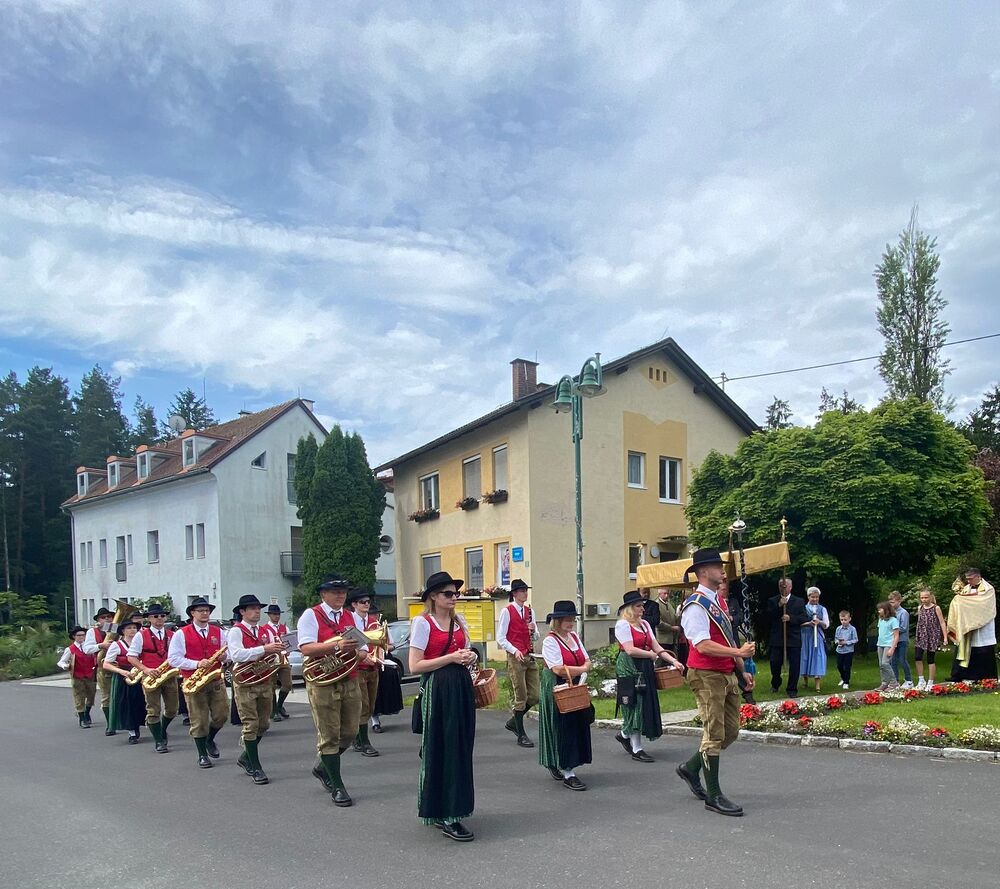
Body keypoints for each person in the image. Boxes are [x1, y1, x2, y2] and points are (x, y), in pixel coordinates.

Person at [675, 548, 756, 817]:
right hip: (706, 674)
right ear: (702, 572)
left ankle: (690, 768)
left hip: (726, 672)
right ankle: (714, 795)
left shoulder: (718, 601)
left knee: (730, 732)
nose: (722, 570)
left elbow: (727, 638)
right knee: (714, 734)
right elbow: (702, 645)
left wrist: (741, 668)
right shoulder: (695, 605)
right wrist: (738, 652)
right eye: (716, 566)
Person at [409, 571, 477, 842]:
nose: (454, 598)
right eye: (448, 594)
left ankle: (452, 808)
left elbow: (466, 652)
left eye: (455, 593)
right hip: (438, 690)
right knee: (443, 749)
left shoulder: (459, 621)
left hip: (460, 688)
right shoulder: (423, 623)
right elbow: (415, 665)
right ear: (434, 597)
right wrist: (451, 658)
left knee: (461, 748)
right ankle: (446, 813)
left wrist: (470, 656)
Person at [297, 576, 365, 808]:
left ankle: (322, 766)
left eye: (343, 591)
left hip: (349, 679)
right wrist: (336, 646)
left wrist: (361, 653)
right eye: (335, 591)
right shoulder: (311, 615)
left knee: (350, 731)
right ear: (323, 594)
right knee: (329, 735)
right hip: (323, 682)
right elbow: (306, 648)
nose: (341, 595)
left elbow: (363, 647)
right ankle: (337, 786)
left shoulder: (351, 616)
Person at [614, 589, 684, 763]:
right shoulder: (623, 625)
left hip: (644, 665)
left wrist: (673, 661)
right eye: (639, 606)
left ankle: (625, 734)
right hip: (629, 666)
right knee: (634, 703)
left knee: (644, 702)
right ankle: (636, 748)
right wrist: (651, 655)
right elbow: (630, 649)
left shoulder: (644, 624)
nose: (643, 609)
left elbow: (656, 646)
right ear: (630, 608)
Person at [227, 594, 287, 785]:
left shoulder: (265, 630)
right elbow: (236, 655)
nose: (257, 611)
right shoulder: (236, 631)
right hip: (245, 682)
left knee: (264, 724)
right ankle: (256, 766)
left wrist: (281, 649)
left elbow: (275, 651)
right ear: (242, 612)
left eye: (258, 608)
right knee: (251, 724)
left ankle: (246, 756)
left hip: (264, 680)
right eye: (252, 608)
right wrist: (264, 649)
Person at [167, 597, 228, 768]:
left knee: (222, 716)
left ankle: (210, 739)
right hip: (194, 682)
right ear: (192, 613)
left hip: (215, 680)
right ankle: (202, 754)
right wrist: (196, 664)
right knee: (199, 720)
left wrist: (225, 657)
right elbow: (173, 659)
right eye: (201, 610)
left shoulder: (219, 632)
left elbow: (228, 653)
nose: (205, 613)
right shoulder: (181, 633)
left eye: (207, 610)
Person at [537, 600, 592, 791]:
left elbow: (587, 660)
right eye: (567, 619)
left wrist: (581, 669)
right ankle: (567, 771)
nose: (571, 623)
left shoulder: (574, 637)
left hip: (574, 684)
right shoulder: (550, 641)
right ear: (558, 621)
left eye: (572, 619)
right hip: (556, 684)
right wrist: (582, 669)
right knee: (561, 725)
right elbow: (558, 669)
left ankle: (566, 762)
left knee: (576, 724)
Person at [126, 603, 178, 754]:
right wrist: (145, 669)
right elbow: (131, 657)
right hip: (150, 676)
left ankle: (162, 729)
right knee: (153, 710)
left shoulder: (173, 635)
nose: (159, 618)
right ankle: (159, 740)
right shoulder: (140, 635)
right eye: (155, 616)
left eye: (162, 616)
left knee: (172, 709)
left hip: (169, 675)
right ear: (149, 618)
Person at [496, 578, 539, 748]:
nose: (525, 593)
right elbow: (501, 638)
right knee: (520, 696)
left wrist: (533, 630)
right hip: (516, 657)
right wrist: (514, 650)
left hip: (529, 655)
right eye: (522, 591)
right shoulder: (507, 611)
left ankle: (514, 721)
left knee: (535, 696)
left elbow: (536, 636)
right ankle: (521, 734)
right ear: (514, 594)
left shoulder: (530, 612)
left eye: (526, 590)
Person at [948, 568, 998, 681]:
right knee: (967, 648)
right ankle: (964, 675)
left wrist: (963, 600)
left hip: (983, 624)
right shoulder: (966, 589)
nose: (968, 581)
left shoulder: (988, 589)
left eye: (970, 579)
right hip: (968, 625)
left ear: (978, 577)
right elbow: (963, 603)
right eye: (967, 579)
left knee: (983, 649)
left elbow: (983, 605)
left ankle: (986, 677)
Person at [348, 588, 381, 757]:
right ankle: (365, 742)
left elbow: (383, 642)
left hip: (373, 668)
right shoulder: (349, 621)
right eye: (363, 602)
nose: (367, 604)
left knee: (371, 706)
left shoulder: (374, 621)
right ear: (354, 604)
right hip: (358, 669)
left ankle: (357, 738)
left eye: (368, 601)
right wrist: (362, 656)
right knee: (363, 706)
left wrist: (380, 654)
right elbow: (348, 645)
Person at [103, 619, 145, 744]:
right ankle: (132, 731)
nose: (132, 630)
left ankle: (143, 725)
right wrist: (122, 672)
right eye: (129, 628)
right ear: (123, 631)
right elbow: (106, 664)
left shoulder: (141, 642)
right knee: (127, 704)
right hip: (124, 677)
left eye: (134, 628)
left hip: (140, 675)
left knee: (141, 702)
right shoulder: (117, 645)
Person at [765, 578, 808, 695]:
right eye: (780, 586)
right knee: (775, 663)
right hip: (777, 637)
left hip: (793, 638)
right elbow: (768, 616)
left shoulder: (799, 601)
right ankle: (776, 683)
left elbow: (804, 618)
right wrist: (779, 605)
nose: (782, 588)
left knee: (794, 665)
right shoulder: (773, 600)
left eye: (785, 586)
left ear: (790, 587)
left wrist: (791, 618)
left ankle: (792, 689)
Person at [370, 602, 403, 732]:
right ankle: (374, 720)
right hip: (370, 659)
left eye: (376, 614)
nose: (375, 616)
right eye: (373, 614)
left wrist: (383, 647)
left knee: (390, 677)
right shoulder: (365, 627)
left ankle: (388, 706)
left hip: (383, 658)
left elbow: (391, 645)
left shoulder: (383, 627)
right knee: (374, 690)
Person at [83, 607, 115, 734]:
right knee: (106, 696)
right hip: (102, 667)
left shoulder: (117, 629)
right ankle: (110, 724)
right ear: (98, 620)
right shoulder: (93, 632)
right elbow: (87, 649)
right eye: (103, 617)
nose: (106, 619)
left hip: (119, 665)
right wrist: (101, 645)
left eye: (109, 617)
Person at [58, 626, 97, 728]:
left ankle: (86, 712)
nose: (81, 637)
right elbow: (61, 662)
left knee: (91, 696)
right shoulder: (70, 649)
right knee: (79, 696)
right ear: (74, 636)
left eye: (83, 635)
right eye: (79, 635)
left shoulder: (90, 647)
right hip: (77, 676)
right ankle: (82, 718)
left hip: (90, 675)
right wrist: (65, 666)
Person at [914, 589, 948, 689]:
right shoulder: (920, 608)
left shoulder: (936, 608)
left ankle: (930, 682)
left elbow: (942, 622)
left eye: (926, 597)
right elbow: (920, 621)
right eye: (922, 598)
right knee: (917, 657)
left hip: (932, 636)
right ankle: (921, 680)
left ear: (930, 597)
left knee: (930, 659)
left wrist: (945, 637)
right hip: (921, 635)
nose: (924, 599)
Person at [263, 604, 292, 721]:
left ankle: (279, 706)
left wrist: (289, 650)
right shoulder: (265, 629)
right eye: (274, 614)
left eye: (278, 614)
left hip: (283, 658)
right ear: (269, 615)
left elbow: (290, 641)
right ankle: (274, 711)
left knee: (287, 684)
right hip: (271, 660)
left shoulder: (285, 628)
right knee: (271, 686)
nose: (277, 616)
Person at [799, 587, 829, 693]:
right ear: (808, 597)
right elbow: (798, 623)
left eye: (817, 597)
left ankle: (817, 685)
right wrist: (808, 623)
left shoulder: (822, 609)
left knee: (818, 657)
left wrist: (819, 622)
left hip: (817, 636)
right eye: (813, 597)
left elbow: (826, 624)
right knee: (805, 656)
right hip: (806, 636)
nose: (815, 599)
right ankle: (805, 681)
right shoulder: (803, 608)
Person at [888, 591, 913, 688]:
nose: (891, 604)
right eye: (890, 602)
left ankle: (909, 680)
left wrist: (893, 630)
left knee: (902, 660)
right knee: (893, 661)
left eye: (893, 602)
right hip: (893, 640)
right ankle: (895, 681)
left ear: (899, 601)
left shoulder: (903, 613)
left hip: (902, 640)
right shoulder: (890, 613)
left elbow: (903, 627)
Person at [875, 601, 900, 691]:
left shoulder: (893, 620)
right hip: (880, 644)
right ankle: (884, 683)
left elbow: (896, 636)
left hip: (889, 644)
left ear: (886, 609)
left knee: (885, 663)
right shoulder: (881, 620)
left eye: (880, 609)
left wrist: (892, 648)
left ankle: (894, 683)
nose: (879, 611)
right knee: (881, 665)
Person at [652, 587, 682, 655]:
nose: (667, 595)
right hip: (662, 639)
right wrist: (671, 628)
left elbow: (674, 617)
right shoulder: (656, 605)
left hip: (671, 639)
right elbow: (658, 622)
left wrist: (679, 614)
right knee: (663, 658)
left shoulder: (669, 604)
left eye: (668, 593)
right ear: (659, 594)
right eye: (665, 593)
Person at [833, 610, 858, 689]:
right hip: (839, 650)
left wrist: (846, 642)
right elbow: (836, 639)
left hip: (848, 651)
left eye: (845, 620)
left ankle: (846, 682)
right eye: (841, 620)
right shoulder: (838, 628)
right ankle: (843, 678)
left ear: (849, 619)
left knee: (847, 667)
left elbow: (855, 640)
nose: (843, 621)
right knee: (839, 666)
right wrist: (838, 642)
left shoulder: (852, 629)